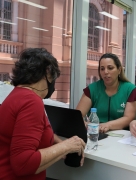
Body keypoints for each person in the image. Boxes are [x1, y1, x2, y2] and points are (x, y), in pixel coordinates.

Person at [0, 48, 85, 180]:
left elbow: (34, 133)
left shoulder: (17, 95)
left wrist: (61, 144)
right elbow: (23, 164)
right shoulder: (31, 102)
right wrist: (67, 146)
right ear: (47, 73)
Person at [76, 53, 136, 133]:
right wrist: (86, 124)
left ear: (119, 70)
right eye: (102, 69)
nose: (105, 72)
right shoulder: (92, 89)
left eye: (110, 68)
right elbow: (77, 117)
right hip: (96, 134)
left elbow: (129, 118)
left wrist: (107, 125)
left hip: (123, 136)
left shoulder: (130, 90)